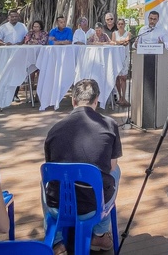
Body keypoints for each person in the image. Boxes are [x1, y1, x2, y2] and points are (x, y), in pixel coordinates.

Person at [43, 79, 121, 255]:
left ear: (73, 100)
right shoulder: (109, 125)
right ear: (96, 100)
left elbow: (50, 166)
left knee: (47, 180)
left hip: (57, 205)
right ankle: (100, 234)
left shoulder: (55, 129)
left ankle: (57, 239)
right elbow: (111, 166)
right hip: (92, 207)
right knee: (116, 172)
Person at [112, 18, 132, 108]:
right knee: (117, 78)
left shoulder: (128, 33)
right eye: (119, 24)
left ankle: (124, 97)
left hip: (125, 57)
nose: (120, 25)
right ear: (117, 25)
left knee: (123, 78)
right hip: (116, 57)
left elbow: (126, 42)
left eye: (122, 24)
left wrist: (118, 42)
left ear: (124, 25)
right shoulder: (114, 33)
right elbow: (113, 42)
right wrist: (120, 42)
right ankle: (119, 97)